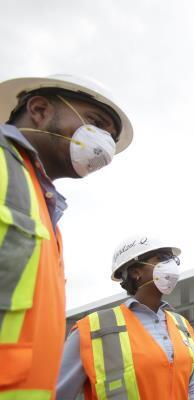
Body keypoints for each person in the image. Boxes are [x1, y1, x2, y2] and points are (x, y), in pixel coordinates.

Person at [0, 74, 133, 399]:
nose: (104, 143)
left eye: (110, 138)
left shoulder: (41, 206)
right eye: (95, 123)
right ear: (40, 109)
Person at [57, 235, 194, 399]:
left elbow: (190, 388)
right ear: (135, 272)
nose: (171, 265)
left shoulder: (182, 325)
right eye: (161, 259)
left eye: (172, 259)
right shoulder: (92, 330)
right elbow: (56, 393)